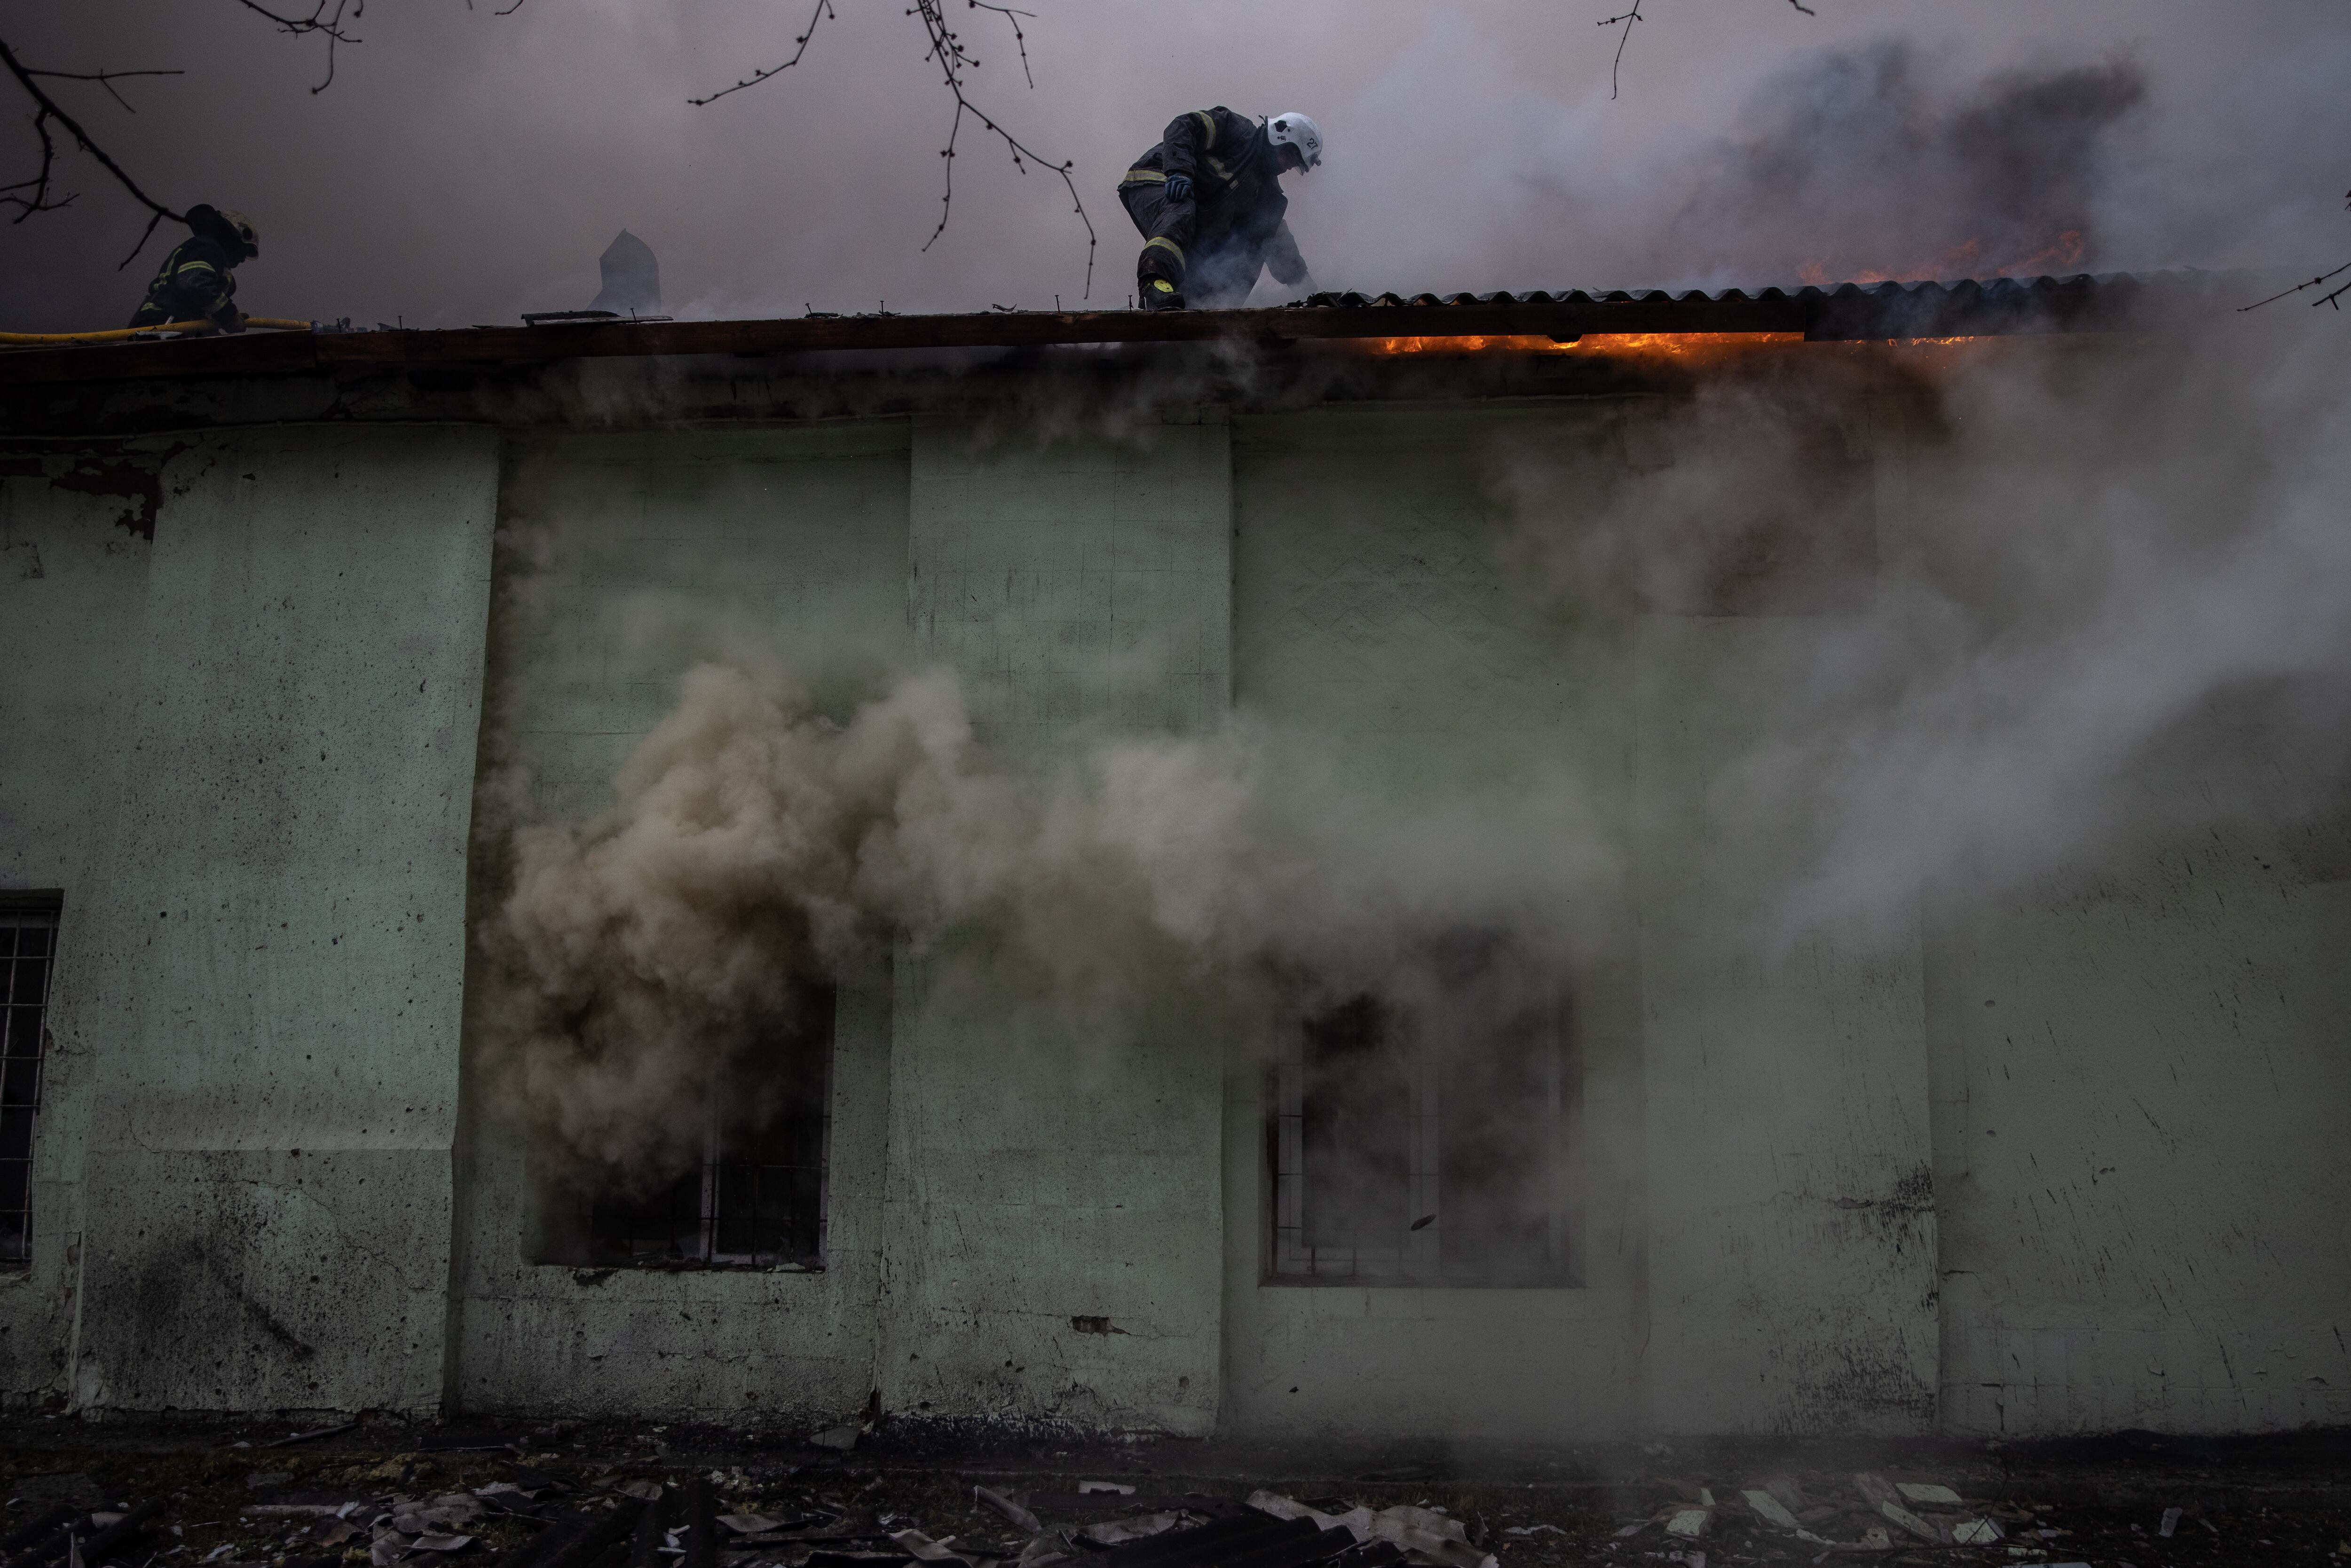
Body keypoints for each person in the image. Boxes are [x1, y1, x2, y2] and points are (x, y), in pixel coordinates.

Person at [1120, 109, 1321, 311]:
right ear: (1280, 137)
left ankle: (1209, 311)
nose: (1288, 166)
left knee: (1254, 247)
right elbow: (1185, 126)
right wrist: (1179, 171)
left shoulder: (1269, 196)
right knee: (1182, 207)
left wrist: (1311, 294)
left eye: (1295, 164)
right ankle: (1154, 283)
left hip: (1193, 216)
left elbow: (1278, 242)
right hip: (1159, 179)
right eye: (1289, 155)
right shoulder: (1237, 130)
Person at [129, 205, 260, 333]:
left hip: (177, 325)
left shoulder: (209, 254)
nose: (243, 258)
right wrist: (229, 316)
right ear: (233, 238)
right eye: (243, 250)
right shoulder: (208, 248)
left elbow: (202, 302)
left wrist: (227, 318)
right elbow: (194, 284)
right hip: (164, 323)